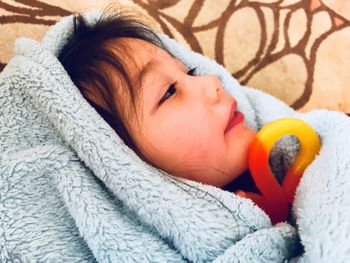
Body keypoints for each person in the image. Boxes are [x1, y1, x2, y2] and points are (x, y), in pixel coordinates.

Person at [58, 9, 261, 195]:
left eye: (190, 72)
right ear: (121, 159)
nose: (212, 82)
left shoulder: (288, 169)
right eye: (169, 92)